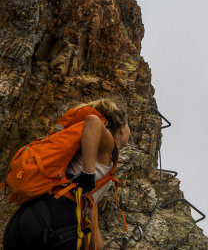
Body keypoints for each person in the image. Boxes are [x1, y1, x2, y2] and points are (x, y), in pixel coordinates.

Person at [2, 99, 131, 250]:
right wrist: (88, 173)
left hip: (23, 221)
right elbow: (93, 120)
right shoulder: (108, 145)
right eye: (129, 127)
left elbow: (90, 212)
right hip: (56, 220)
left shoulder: (83, 152)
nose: (130, 132)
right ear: (121, 128)